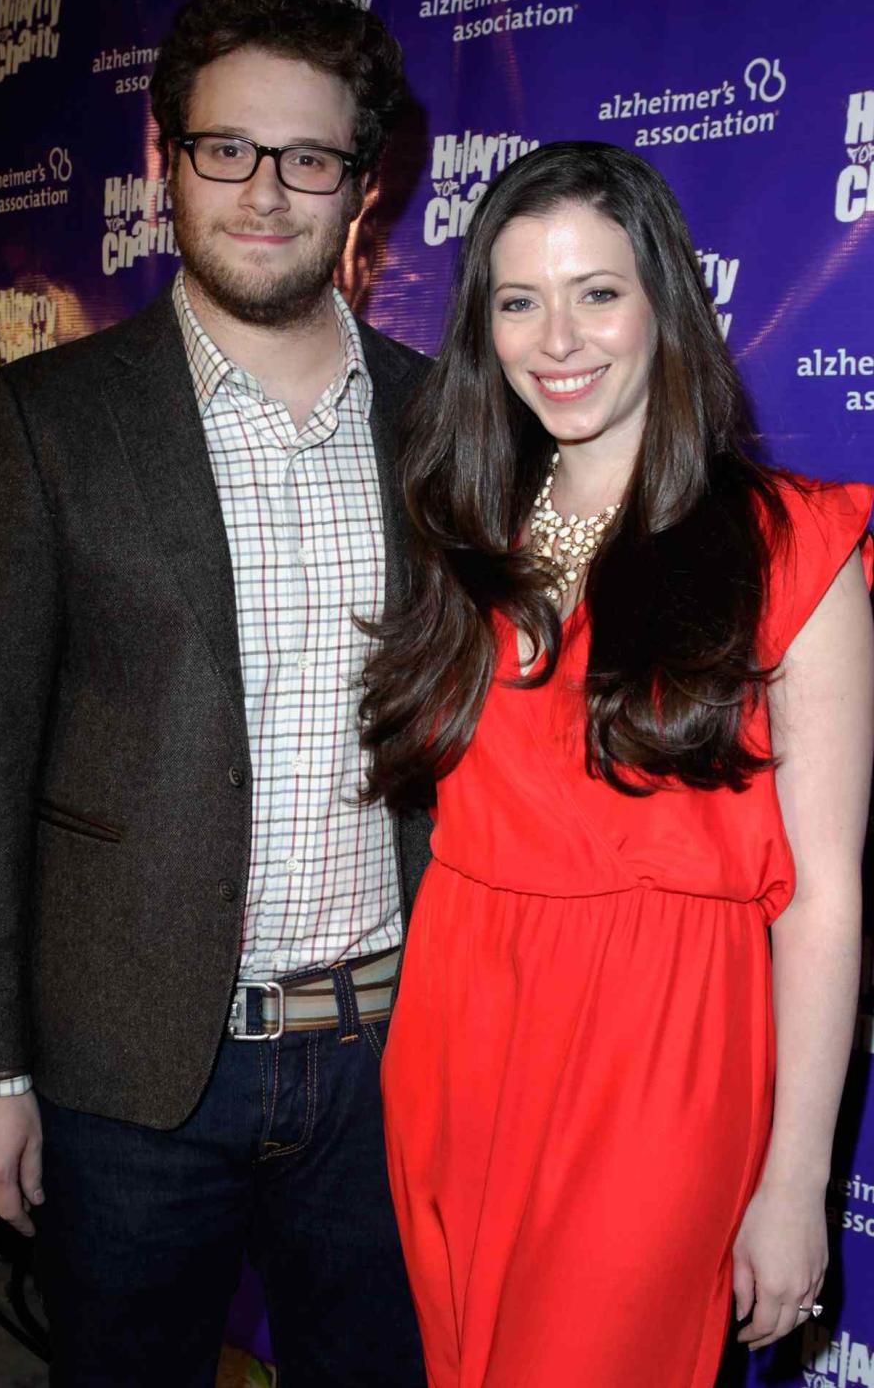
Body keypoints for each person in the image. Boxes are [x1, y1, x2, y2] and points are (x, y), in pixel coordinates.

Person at [0, 0, 429, 1388]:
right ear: (164, 160)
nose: (265, 192)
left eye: (308, 157)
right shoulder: (46, 423)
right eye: (226, 149)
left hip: (397, 1064)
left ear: (359, 189)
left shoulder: (447, 426)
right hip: (127, 1075)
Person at [359, 140, 874, 1388]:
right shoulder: (463, 527)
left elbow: (822, 898)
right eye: (519, 300)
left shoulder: (789, 544)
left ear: (665, 306)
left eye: (598, 291)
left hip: (662, 1059)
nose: (559, 337)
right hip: (457, 1032)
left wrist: (794, 1179)